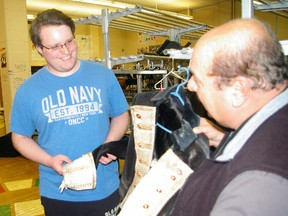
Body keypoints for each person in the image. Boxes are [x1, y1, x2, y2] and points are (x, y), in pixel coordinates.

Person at [10, 9, 129, 216]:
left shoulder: (103, 76)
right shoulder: (28, 91)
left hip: (104, 186)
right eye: (55, 46)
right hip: (58, 191)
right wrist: (48, 160)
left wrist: (108, 143)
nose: (66, 51)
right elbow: (20, 136)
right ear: (39, 48)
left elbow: (121, 114)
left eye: (69, 42)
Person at [170, 18, 288, 215]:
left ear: (238, 91)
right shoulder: (277, 119)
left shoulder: (256, 188)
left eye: (197, 79)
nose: (189, 86)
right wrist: (226, 139)